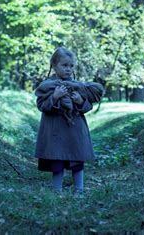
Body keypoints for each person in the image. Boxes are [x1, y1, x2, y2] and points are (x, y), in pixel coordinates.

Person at [34, 47, 104, 194]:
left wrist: (79, 101)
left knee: (77, 161)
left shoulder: (79, 86)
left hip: (75, 131)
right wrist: (55, 97)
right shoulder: (48, 86)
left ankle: (79, 190)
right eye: (64, 65)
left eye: (71, 66)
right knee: (57, 161)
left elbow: (87, 106)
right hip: (55, 131)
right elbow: (42, 105)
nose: (68, 69)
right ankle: (57, 191)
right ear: (54, 65)